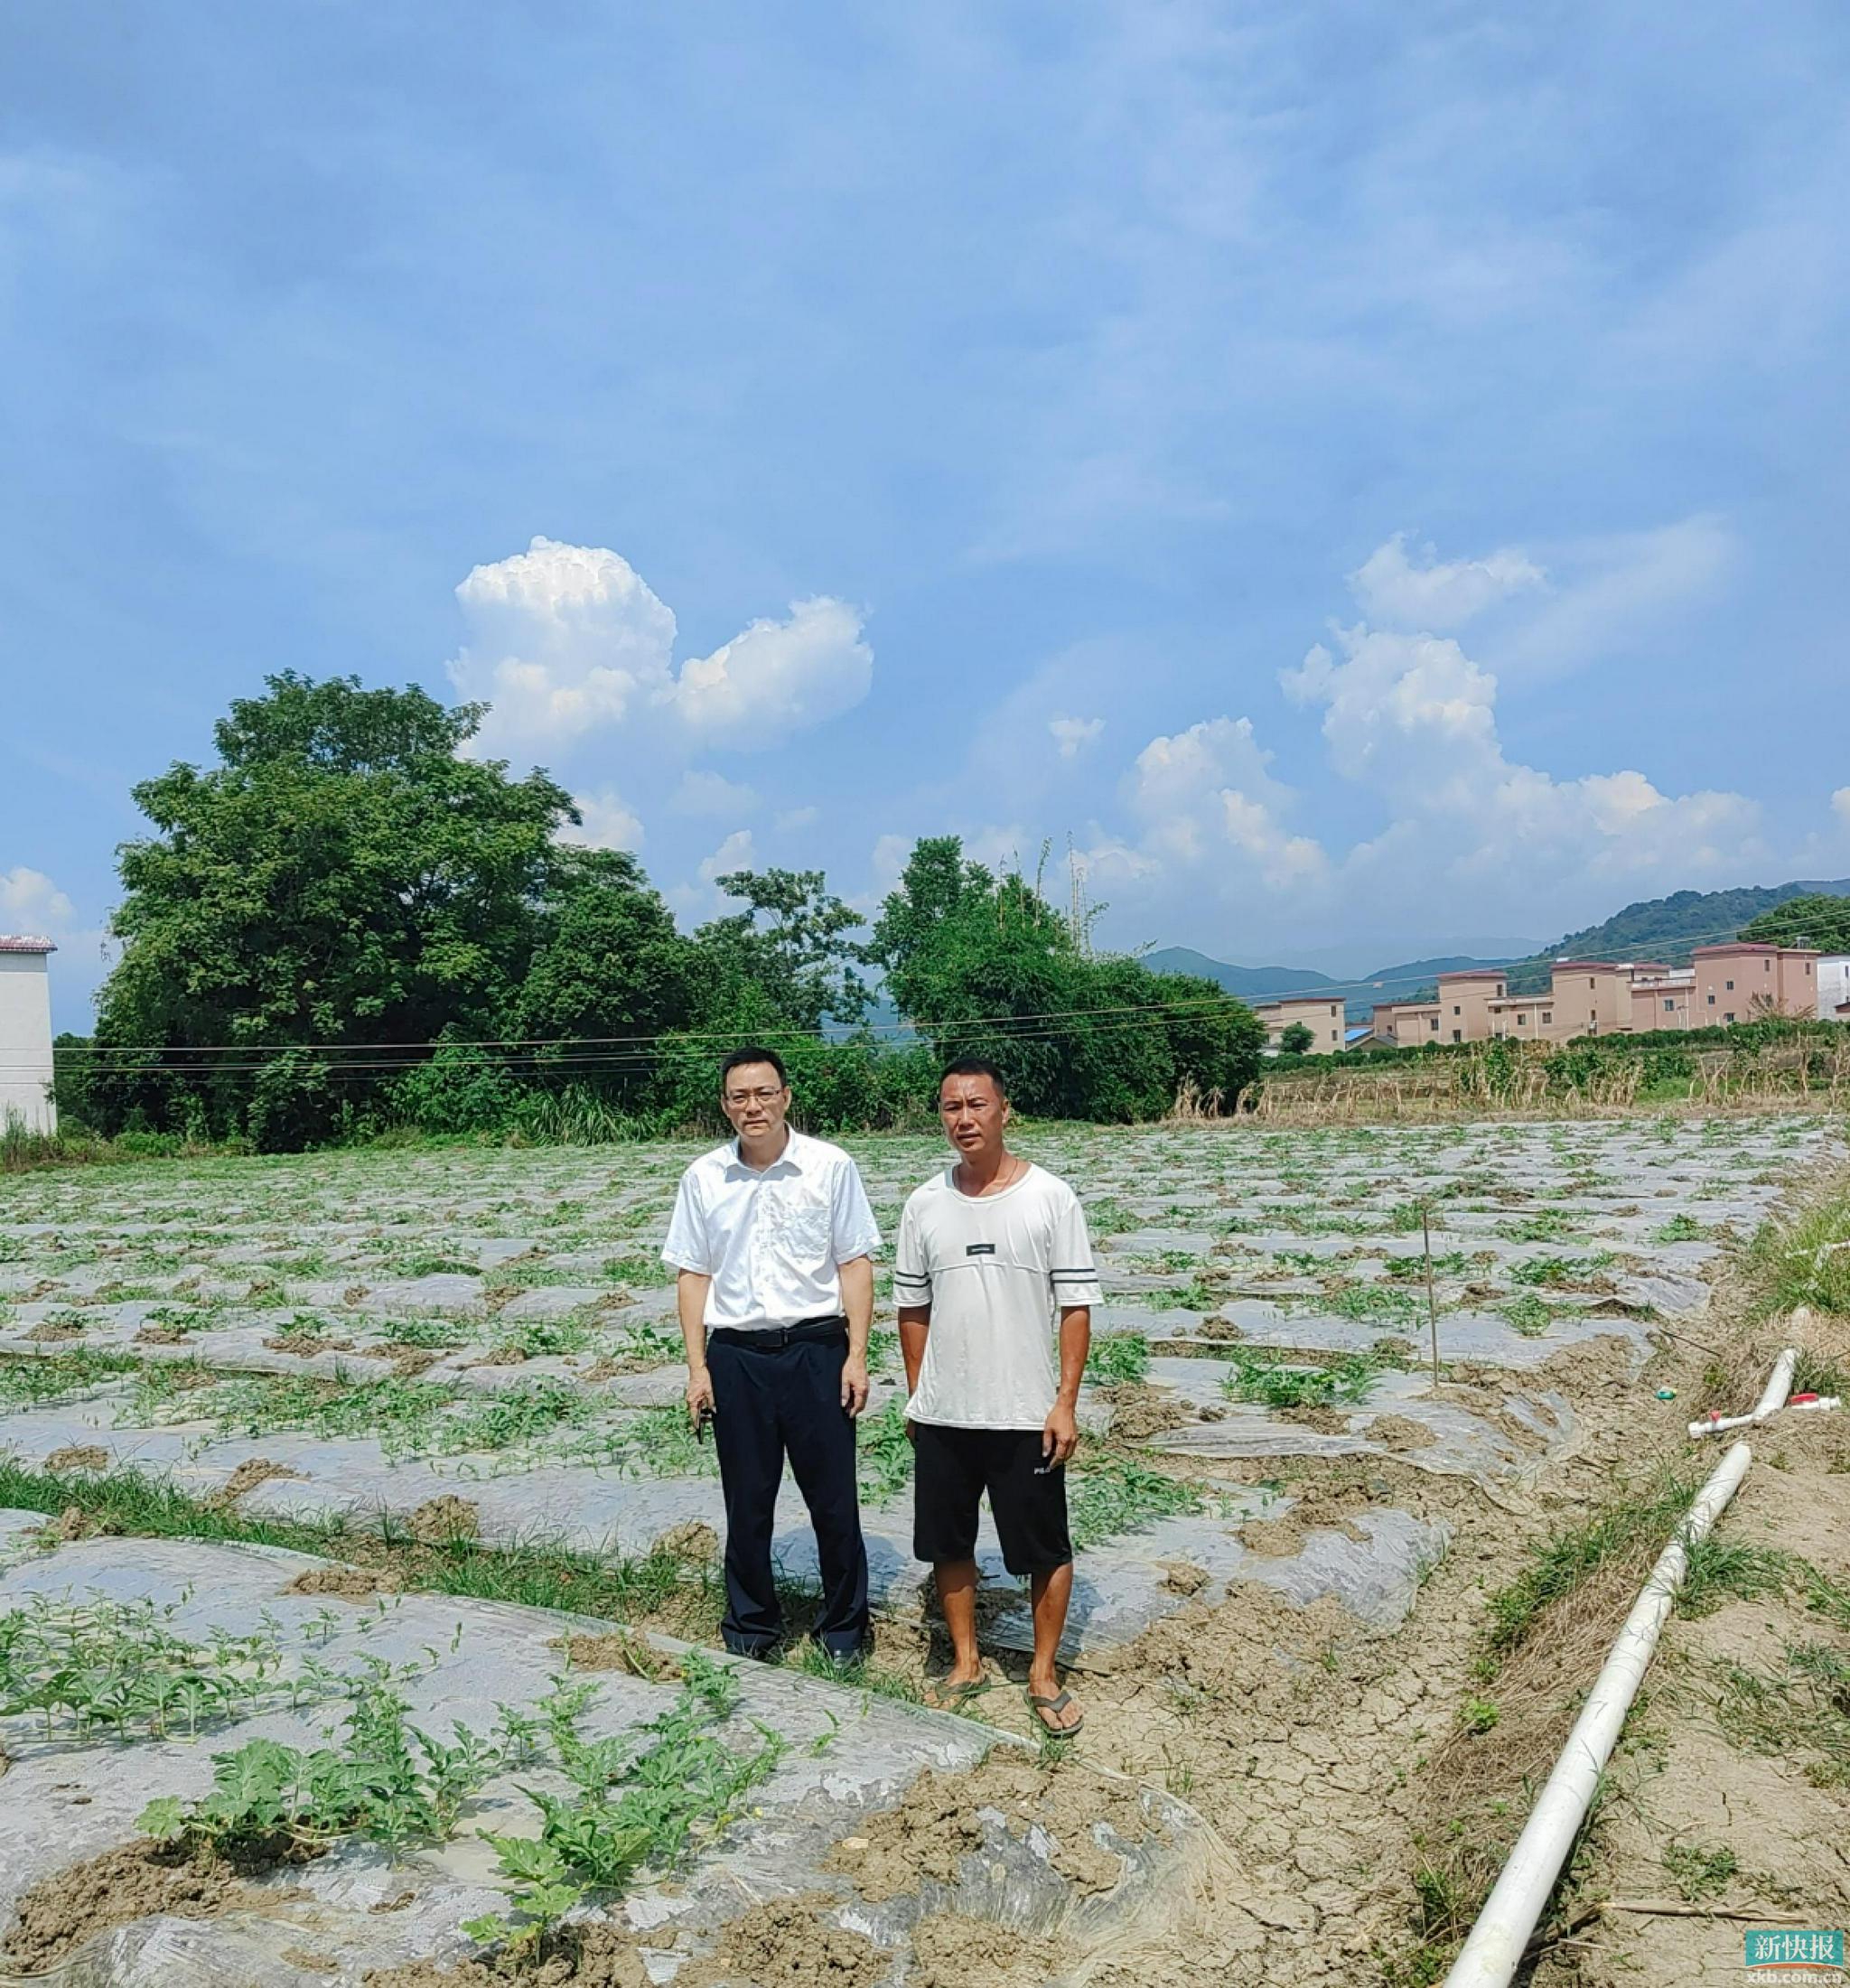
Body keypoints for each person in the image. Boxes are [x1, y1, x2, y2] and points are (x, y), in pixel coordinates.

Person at [894, 1057, 1098, 1735]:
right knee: (948, 1544)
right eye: (951, 1107)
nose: (964, 1119)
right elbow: (912, 1308)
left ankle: (1042, 1672)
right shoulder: (924, 1204)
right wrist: (921, 1394)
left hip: (1024, 1412)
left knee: (1045, 1548)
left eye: (977, 1105)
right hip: (947, 1414)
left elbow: (1075, 1307)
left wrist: (1064, 1401)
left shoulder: (1049, 1197)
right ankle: (966, 1660)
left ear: (1005, 1111)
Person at [661, 1045, 880, 1663]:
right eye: (738, 1096)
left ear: (786, 1096)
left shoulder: (830, 1166)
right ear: (725, 1103)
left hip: (816, 1349)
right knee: (747, 1503)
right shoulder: (703, 1177)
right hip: (738, 1357)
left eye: (763, 1093)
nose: (751, 1106)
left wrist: (856, 1354)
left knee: (834, 1500)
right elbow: (692, 1276)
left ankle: (843, 1629)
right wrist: (697, 1366)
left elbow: (854, 1262)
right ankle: (752, 1627)